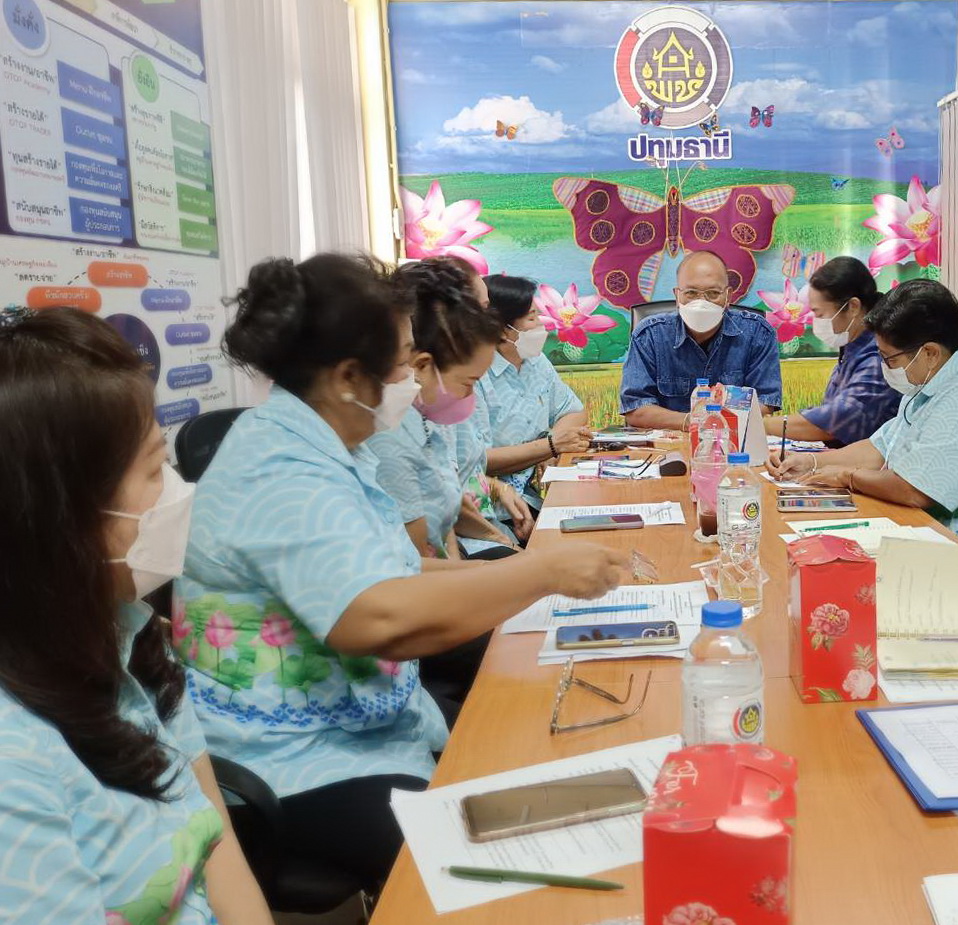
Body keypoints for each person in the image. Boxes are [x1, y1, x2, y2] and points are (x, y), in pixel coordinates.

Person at [174, 254, 625, 892]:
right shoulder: (279, 469)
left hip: (371, 725)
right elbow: (376, 617)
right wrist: (540, 575)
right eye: (405, 362)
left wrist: (532, 569)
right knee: (513, 875)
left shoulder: (326, 446)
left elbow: (404, 565)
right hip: (298, 761)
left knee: (551, 769)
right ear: (347, 376)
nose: (415, 379)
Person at [0, 307, 272, 924]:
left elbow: (212, 834)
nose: (177, 490)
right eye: (154, 469)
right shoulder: (15, 762)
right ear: (55, 517)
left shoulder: (126, 633)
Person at [769, 279, 958, 547]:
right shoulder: (934, 377)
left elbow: (915, 489)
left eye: (889, 358)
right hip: (930, 529)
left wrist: (846, 476)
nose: (885, 368)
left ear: (930, 352)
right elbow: (881, 447)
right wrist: (811, 462)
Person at [370, 258, 505, 561]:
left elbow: (445, 518)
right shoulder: (390, 430)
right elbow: (416, 564)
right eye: (468, 382)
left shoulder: (421, 418)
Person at [472, 274, 590, 523]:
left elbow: (574, 412)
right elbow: (476, 459)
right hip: (490, 511)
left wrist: (548, 448)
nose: (541, 324)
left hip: (529, 497)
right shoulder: (474, 375)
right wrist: (548, 447)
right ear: (502, 329)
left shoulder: (536, 361)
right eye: (531, 317)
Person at [621, 250, 783, 428]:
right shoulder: (649, 335)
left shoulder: (757, 333)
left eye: (713, 293)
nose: (701, 302)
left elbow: (765, 401)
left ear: (728, 296)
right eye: (691, 293)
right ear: (677, 295)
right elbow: (635, 409)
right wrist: (692, 422)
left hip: (730, 438)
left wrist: (718, 422)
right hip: (667, 440)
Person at [763, 256, 897, 447]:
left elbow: (838, 420)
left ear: (853, 307)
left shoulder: (879, 354)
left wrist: (763, 425)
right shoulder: (851, 347)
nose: (815, 322)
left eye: (820, 314)